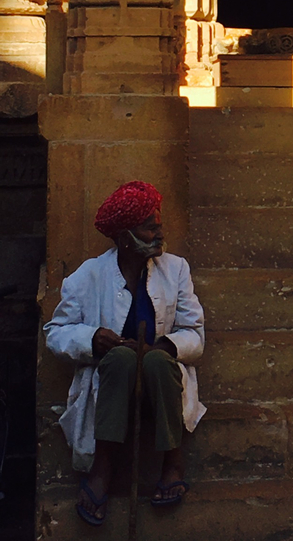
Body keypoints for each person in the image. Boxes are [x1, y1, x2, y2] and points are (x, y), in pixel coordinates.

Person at [43, 181, 205, 526]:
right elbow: (55, 333)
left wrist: (162, 347)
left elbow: (194, 334)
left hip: (160, 379)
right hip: (112, 381)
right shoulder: (87, 276)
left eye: (158, 224)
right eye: (150, 227)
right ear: (125, 236)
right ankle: (103, 467)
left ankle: (172, 463)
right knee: (120, 357)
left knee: (159, 360)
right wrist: (92, 338)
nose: (159, 233)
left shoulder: (176, 270)